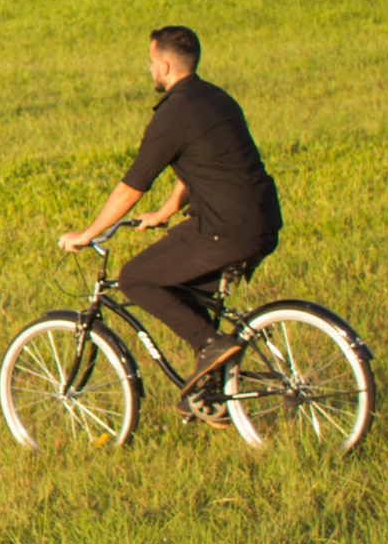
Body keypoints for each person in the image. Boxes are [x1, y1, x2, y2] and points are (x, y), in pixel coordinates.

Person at [59, 24, 282, 411]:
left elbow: (134, 184)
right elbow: (205, 166)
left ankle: (213, 346)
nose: (149, 70)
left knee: (136, 277)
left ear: (164, 64)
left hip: (225, 229)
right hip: (262, 222)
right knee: (185, 288)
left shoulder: (174, 113)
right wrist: (164, 212)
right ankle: (212, 390)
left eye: (150, 63)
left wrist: (89, 232)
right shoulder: (217, 99)